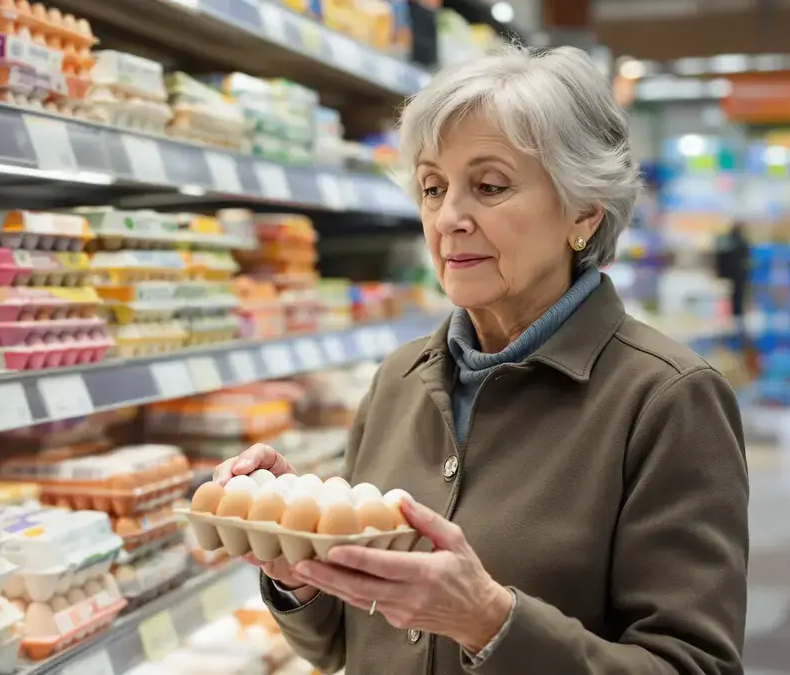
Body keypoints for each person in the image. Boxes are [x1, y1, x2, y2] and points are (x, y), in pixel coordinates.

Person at [214, 45, 749, 675]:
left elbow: (695, 665)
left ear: (583, 210)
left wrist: (490, 621)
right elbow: (341, 646)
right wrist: (298, 567)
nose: (449, 218)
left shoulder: (666, 399)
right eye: (433, 187)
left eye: (489, 186)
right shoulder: (399, 380)